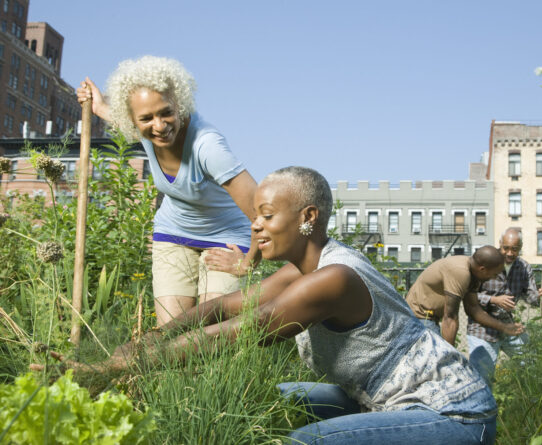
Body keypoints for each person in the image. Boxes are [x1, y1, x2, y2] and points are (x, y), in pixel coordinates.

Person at [39, 167, 497, 444]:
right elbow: (220, 309)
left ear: (308, 218)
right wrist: (152, 338)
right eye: (254, 214)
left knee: (303, 442)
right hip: (380, 402)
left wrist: (118, 369)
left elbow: (242, 330)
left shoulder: (334, 278)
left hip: (452, 415)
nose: (255, 226)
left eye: (267, 215)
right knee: (258, 402)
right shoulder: (300, 270)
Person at [77, 56, 259, 327]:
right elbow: (119, 115)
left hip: (226, 237)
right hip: (174, 234)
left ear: (179, 103)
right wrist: (99, 104)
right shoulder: (143, 128)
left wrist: (247, 264)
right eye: (147, 118)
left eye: (166, 113)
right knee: (171, 335)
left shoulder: (207, 147)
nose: (159, 126)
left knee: (213, 331)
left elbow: (262, 214)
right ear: (133, 120)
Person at [467, 227, 542, 385]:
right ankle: (483, 409)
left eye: (515, 249)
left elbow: (531, 297)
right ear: (500, 244)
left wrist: (541, 297)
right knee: (481, 379)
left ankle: (525, 402)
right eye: (506, 248)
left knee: (532, 365)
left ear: (521, 247)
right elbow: (468, 296)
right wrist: (493, 300)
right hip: (482, 329)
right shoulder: (485, 261)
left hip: (509, 326)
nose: (510, 253)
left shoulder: (524, 267)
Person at [406, 249, 524, 345]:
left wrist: (505, 327)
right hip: (419, 317)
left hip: (429, 318)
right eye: (494, 274)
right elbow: (450, 318)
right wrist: (450, 357)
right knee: (435, 363)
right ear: (482, 269)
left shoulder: (474, 274)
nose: (494, 278)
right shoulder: (460, 272)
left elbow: (474, 310)